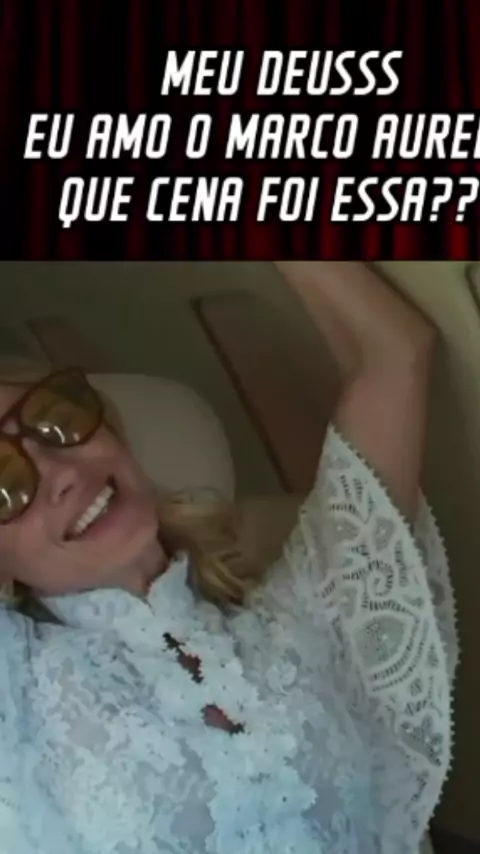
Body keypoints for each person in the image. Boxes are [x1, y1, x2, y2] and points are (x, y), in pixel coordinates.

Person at [0, 262, 457, 854]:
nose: (61, 471)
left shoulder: (301, 621)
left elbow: (395, 353)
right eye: (4, 484)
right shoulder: (20, 693)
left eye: (57, 419)